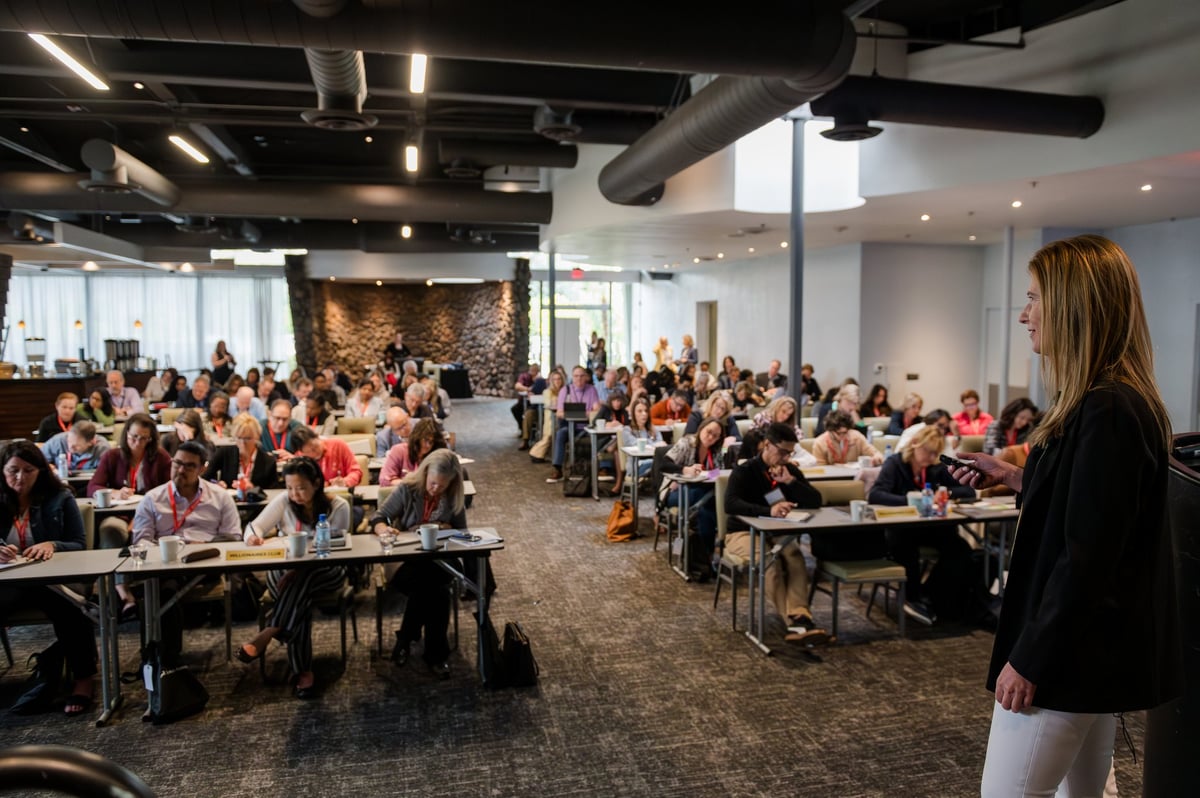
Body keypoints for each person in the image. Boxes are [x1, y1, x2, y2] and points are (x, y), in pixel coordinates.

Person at [941, 235, 1182, 795]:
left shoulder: (1109, 407)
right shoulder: (1105, 399)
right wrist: (1018, 477)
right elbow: (1095, 510)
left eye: (1033, 300)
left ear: (1074, 307)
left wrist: (1031, 658)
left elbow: (1089, 555)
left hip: (1068, 656)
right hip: (1088, 651)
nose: (1024, 315)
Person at [237, 457, 350, 699]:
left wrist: (299, 570)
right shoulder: (284, 501)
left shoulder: (338, 506)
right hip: (285, 574)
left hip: (326, 571)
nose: (294, 494)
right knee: (299, 596)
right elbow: (254, 527)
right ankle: (302, 671)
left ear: (317, 484)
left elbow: (337, 549)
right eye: (289, 488)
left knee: (302, 582)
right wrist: (253, 538)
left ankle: (270, 630)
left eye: (300, 488)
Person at [0, 441, 97, 716]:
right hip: (10, 580)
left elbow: (79, 543)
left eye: (28, 470)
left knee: (70, 610)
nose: (19, 478)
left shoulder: (60, 497)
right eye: (13, 471)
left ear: (41, 470)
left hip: (52, 578)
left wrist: (53, 545)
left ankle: (83, 681)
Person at [130, 441, 240, 667]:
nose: (181, 470)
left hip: (205, 563)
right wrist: (160, 553)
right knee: (163, 586)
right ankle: (164, 658)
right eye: (177, 463)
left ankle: (158, 659)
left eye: (189, 466)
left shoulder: (220, 497)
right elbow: (141, 540)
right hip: (163, 565)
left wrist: (203, 545)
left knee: (160, 590)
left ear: (202, 468)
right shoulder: (152, 499)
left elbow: (233, 538)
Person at [721, 422, 828, 644]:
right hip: (741, 533)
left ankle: (801, 615)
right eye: (782, 452)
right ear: (767, 445)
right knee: (771, 564)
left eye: (790, 453)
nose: (786, 458)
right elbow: (730, 504)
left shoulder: (789, 471)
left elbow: (816, 501)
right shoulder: (745, 470)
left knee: (795, 557)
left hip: (777, 531)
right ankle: (793, 623)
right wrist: (768, 510)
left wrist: (791, 482)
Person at [370, 449, 468, 679]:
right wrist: (384, 529)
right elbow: (378, 517)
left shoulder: (453, 494)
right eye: (433, 483)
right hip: (407, 561)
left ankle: (405, 639)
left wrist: (446, 528)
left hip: (442, 559)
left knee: (430, 582)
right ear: (425, 474)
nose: (436, 489)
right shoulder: (408, 488)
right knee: (437, 591)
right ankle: (436, 655)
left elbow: (463, 532)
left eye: (441, 486)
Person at [868, 425, 976, 626]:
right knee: (906, 550)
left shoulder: (935, 468)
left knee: (961, 549)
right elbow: (876, 495)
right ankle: (912, 597)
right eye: (928, 451)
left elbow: (968, 491)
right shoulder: (895, 463)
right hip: (902, 527)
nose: (931, 456)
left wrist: (947, 493)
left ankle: (931, 592)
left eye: (936, 452)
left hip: (931, 527)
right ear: (915, 445)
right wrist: (911, 500)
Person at [659, 417, 725, 571]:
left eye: (716, 436)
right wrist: (685, 470)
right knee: (709, 501)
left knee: (706, 512)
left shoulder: (715, 450)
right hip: (674, 492)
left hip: (701, 492)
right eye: (709, 432)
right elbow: (663, 464)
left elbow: (719, 471)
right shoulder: (686, 443)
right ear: (701, 428)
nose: (711, 438)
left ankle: (704, 557)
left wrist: (706, 474)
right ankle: (705, 556)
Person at [547, 366, 601, 483]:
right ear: (572, 377)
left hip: (588, 427)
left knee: (602, 434)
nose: (579, 379)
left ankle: (603, 468)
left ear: (586, 377)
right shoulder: (565, 390)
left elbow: (597, 411)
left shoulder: (592, 390)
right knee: (561, 433)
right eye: (576, 376)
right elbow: (559, 413)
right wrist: (585, 413)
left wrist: (578, 413)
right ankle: (557, 468)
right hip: (570, 426)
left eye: (582, 376)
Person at [380, 418, 448, 487]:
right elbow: (384, 480)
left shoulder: (436, 456)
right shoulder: (398, 451)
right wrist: (410, 483)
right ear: (417, 437)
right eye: (425, 440)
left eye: (431, 442)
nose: (428, 445)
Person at [290, 426, 362, 489]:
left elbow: (356, 471)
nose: (315, 452)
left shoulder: (338, 445)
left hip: (340, 493)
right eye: (309, 452)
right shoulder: (300, 459)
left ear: (317, 437)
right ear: (302, 452)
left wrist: (345, 481)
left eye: (315, 447)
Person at [225, 413, 278, 491]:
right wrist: (217, 484)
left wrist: (253, 489)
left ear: (257, 437)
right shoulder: (224, 454)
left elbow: (274, 490)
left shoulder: (269, 461)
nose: (243, 443)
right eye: (239, 438)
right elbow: (206, 479)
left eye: (248, 438)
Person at [812, 410, 883, 466]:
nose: (842, 436)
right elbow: (820, 468)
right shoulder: (820, 443)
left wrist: (877, 458)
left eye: (845, 432)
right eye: (839, 433)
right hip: (830, 480)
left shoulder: (857, 437)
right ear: (830, 430)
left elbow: (875, 453)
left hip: (853, 477)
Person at [43, 420, 110, 474]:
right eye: (69, 441)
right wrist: (48, 466)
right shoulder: (57, 441)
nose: (70, 447)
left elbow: (106, 473)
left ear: (91, 442)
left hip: (88, 483)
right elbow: (38, 460)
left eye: (76, 446)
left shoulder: (102, 448)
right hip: (60, 482)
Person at [511, 363, 546, 446]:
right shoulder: (525, 376)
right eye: (532, 370)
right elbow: (517, 386)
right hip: (524, 402)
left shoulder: (539, 381)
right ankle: (524, 433)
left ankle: (528, 433)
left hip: (536, 404)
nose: (533, 372)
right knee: (517, 410)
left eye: (536, 371)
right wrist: (528, 389)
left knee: (530, 413)